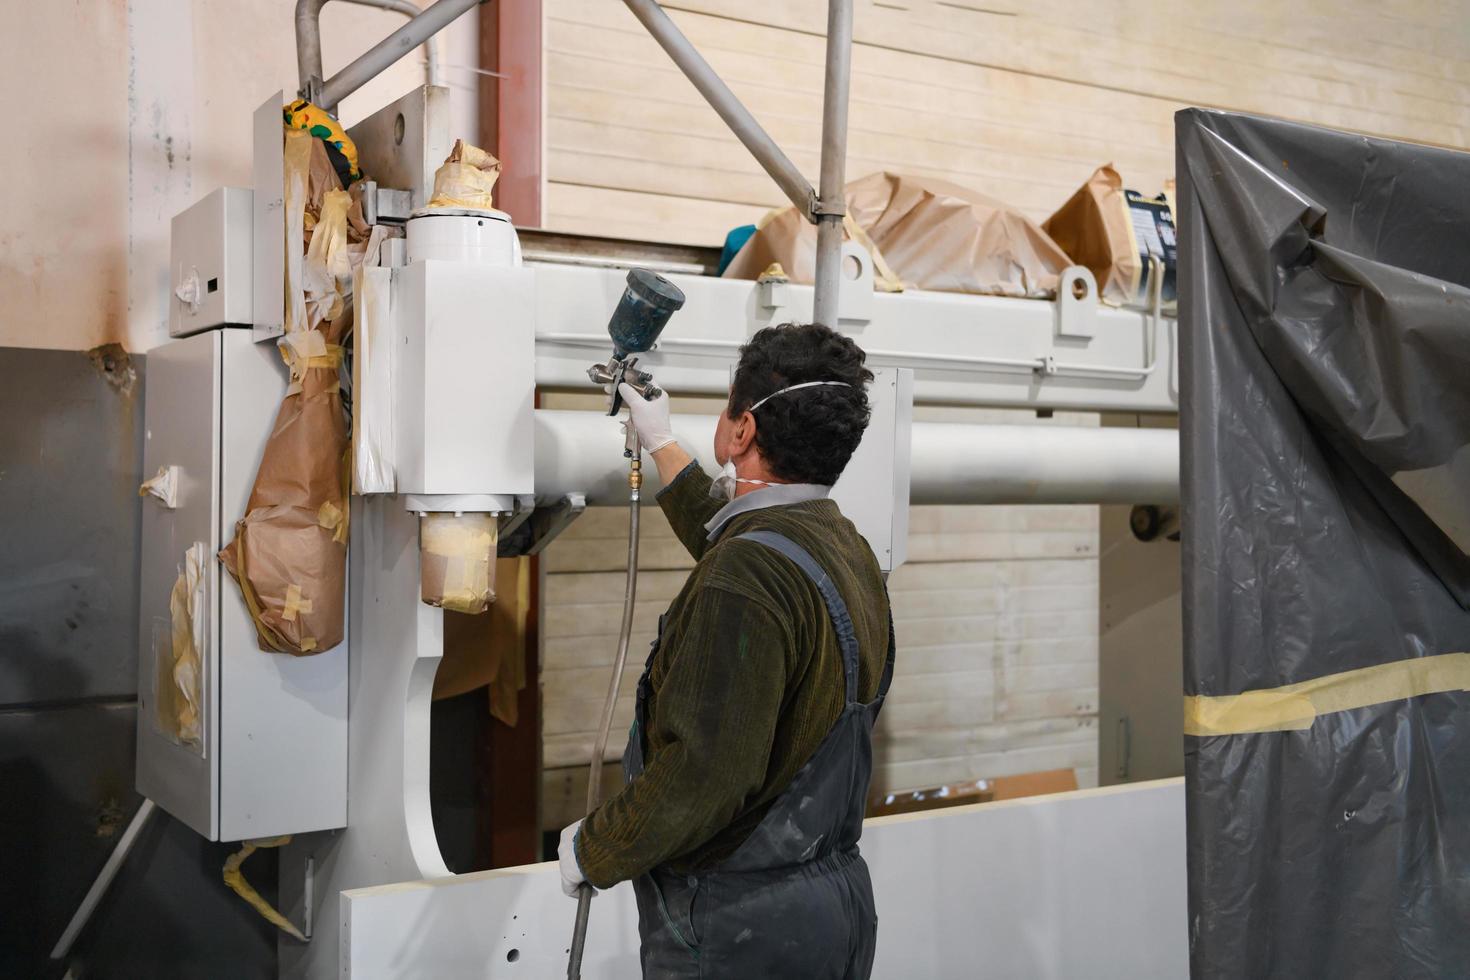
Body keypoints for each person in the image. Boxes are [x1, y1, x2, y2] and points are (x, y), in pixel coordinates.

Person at [558, 322, 895, 978]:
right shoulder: (842, 546)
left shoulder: (749, 573)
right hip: (833, 905)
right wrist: (661, 443)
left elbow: (705, 776)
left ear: (741, 431)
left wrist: (593, 849)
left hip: (739, 928)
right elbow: (745, 544)